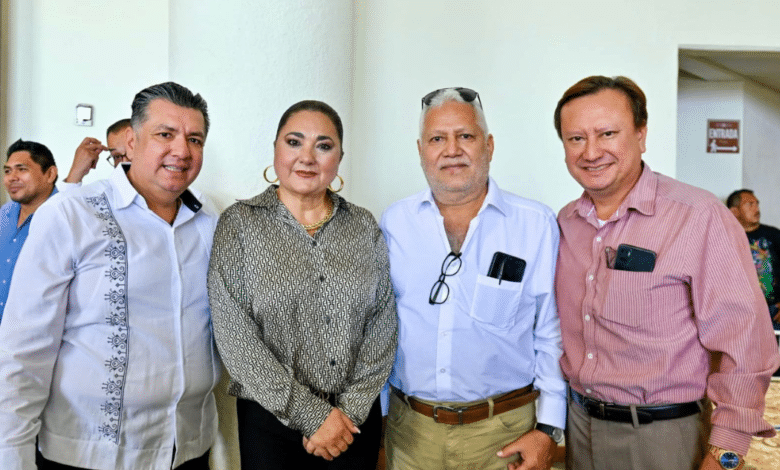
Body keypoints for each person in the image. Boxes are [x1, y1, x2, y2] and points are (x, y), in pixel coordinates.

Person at [554, 75, 780, 470]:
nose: (591, 152)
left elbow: (745, 338)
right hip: (578, 427)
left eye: (607, 133)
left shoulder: (699, 216)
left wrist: (727, 451)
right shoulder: (566, 223)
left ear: (641, 135)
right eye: (576, 138)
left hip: (662, 437)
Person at [0, 82, 220, 469]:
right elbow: (24, 347)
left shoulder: (209, 221)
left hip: (187, 448)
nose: (182, 151)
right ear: (131, 143)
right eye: (165, 134)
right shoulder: (72, 213)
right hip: (89, 454)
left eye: (195, 139)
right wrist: (12, 455)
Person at [380, 87, 566, 470]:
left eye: (465, 136)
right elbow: (379, 328)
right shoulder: (394, 223)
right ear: (420, 150)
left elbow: (550, 332)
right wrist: (380, 419)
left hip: (505, 434)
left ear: (489, 145)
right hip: (411, 433)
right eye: (437, 139)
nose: (452, 150)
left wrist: (549, 428)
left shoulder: (534, 224)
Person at [208, 100, 397, 469]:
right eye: (294, 142)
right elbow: (235, 336)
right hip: (270, 421)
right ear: (275, 149)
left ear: (339, 158)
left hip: (352, 424)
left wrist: (348, 413)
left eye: (323, 146)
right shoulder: (239, 224)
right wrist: (313, 417)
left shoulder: (363, 225)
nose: (307, 157)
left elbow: (383, 323)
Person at [0, 139, 58, 321]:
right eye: (7, 171)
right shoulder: (5, 213)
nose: (12, 177)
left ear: (50, 174)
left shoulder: (65, 217)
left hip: (38, 331)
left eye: (22, 169)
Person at [727, 189, 780, 330]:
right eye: (750, 204)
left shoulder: (774, 235)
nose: (756, 208)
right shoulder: (725, 238)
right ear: (734, 211)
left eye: (757, 204)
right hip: (739, 314)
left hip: (774, 311)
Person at [61, 118, 132, 187]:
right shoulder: (106, 190)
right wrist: (76, 173)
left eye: (132, 153)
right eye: (117, 156)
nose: (125, 162)